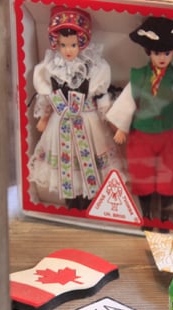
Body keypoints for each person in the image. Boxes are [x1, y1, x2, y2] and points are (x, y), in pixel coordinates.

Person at [27, 7, 123, 210]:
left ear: (82, 42)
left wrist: (112, 122)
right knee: (67, 164)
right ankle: (71, 203)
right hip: (60, 123)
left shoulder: (94, 68)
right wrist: (44, 118)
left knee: (89, 163)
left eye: (72, 45)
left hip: (88, 121)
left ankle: (89, 203)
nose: (68, 50)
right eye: (63, 45)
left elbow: (101, 97)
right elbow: (47, 97)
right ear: (56, 43)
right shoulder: (51, 68)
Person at [106, 17, 173, 226]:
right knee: (141, 172)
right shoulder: (139, 78)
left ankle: (164, 217)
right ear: (149, 52)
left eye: (167, 53)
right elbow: (128, 102)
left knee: (170, 173)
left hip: (170, 135)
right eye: (157, 53)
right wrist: (122, 128)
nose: (162, 58)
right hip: (142, 134)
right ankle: (146, 215)